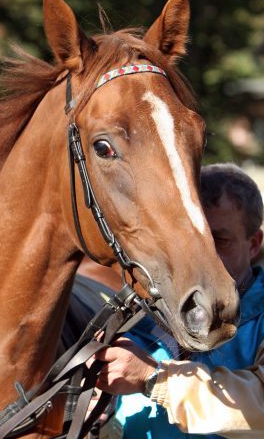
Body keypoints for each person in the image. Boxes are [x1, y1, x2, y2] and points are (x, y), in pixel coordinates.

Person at [87, 163, 264, 438]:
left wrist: (154, 379)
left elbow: (258, 407)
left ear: (254, 244)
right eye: (191, 237)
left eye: (220, 240)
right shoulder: (142, 306)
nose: (203, 256)